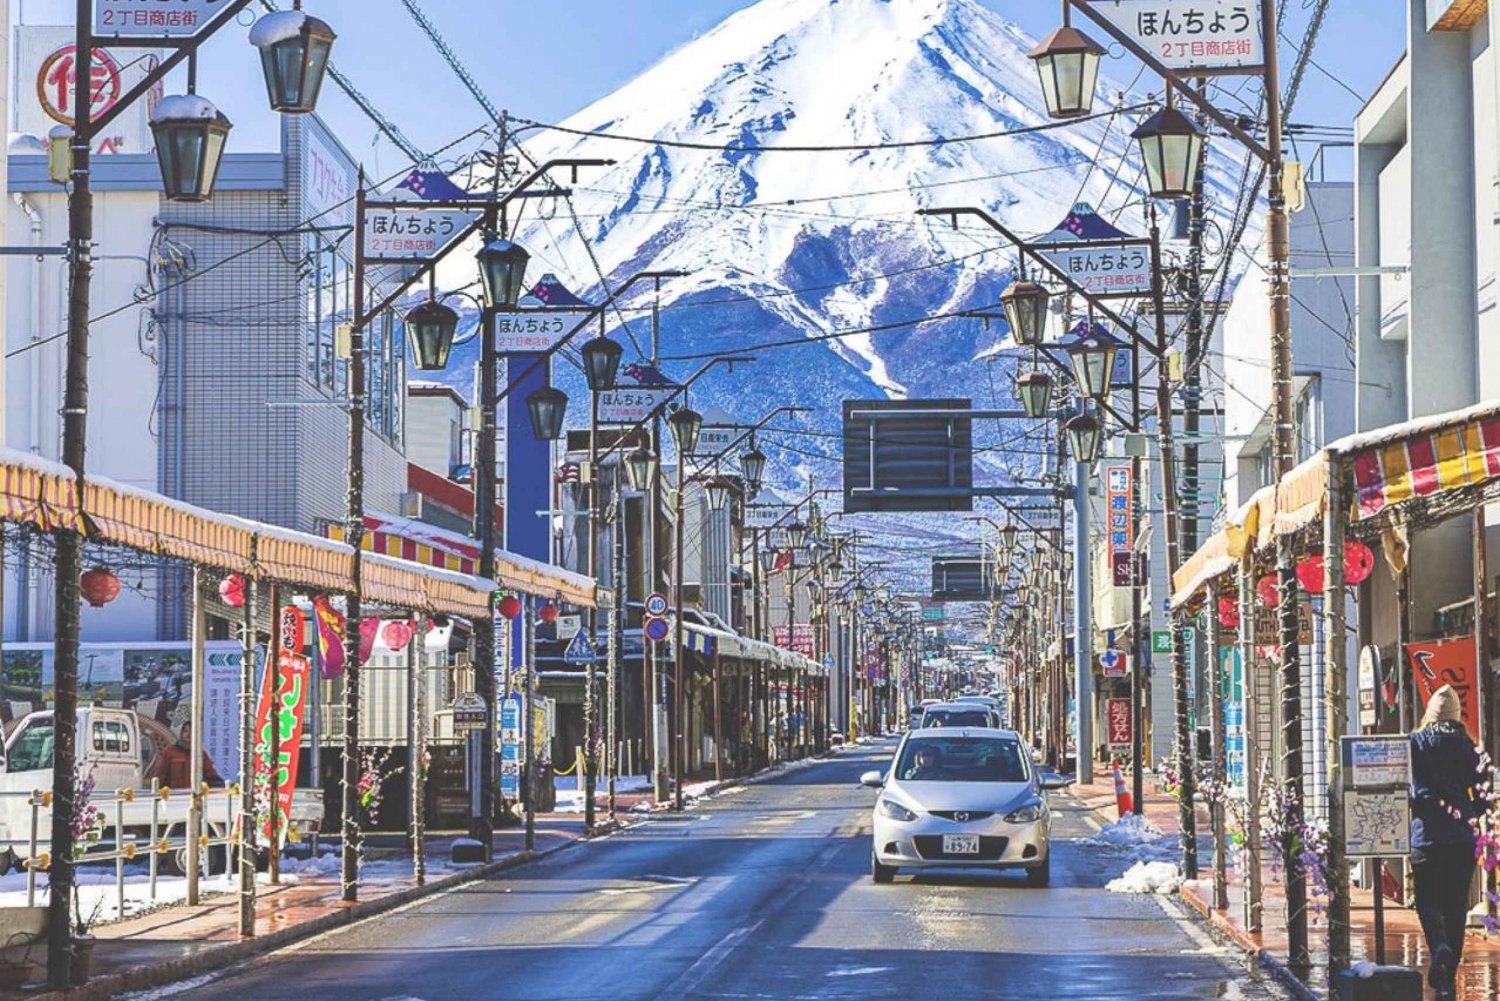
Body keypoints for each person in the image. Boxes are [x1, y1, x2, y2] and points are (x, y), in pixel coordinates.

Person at [1410, 685, 1482, 998]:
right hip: (1462, 836)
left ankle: (1438, 944)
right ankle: (1448, 976)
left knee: (1427, 901)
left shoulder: (1416, 742)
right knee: (1456, 906)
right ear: (1456, 716)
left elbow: (1407, 785)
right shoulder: (1469, 745)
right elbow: (1484, 792)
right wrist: (1471, 812)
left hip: (1426, 833)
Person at [148, 722, 223, 790]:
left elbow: (210, 773)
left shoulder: (200, 754)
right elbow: (160, 774)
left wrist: (218, 784)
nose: (188, 734)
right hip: (174, 795)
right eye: (186, 731)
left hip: (194, 795)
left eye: (192, 731)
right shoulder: (170, 752)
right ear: (181, 733)